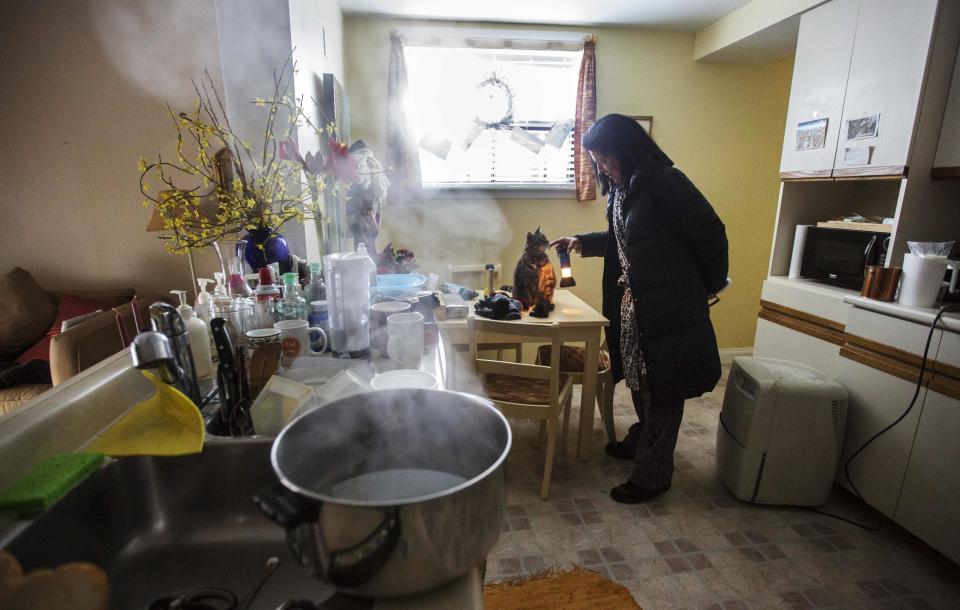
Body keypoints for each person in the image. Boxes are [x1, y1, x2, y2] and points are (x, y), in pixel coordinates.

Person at [550, 114, 728, 504]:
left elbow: (711, 232)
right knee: (638, 377)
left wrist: (708, 286)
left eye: (605, 159)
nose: (602, 168)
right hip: (635, 304)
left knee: (663, 389)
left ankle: (652, 476)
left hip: (669, 305)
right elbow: (623, 240)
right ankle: (643, 439)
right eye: (596, 162)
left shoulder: (665, 183)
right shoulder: (621, 189)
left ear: (628, 151)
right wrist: (582, 241)